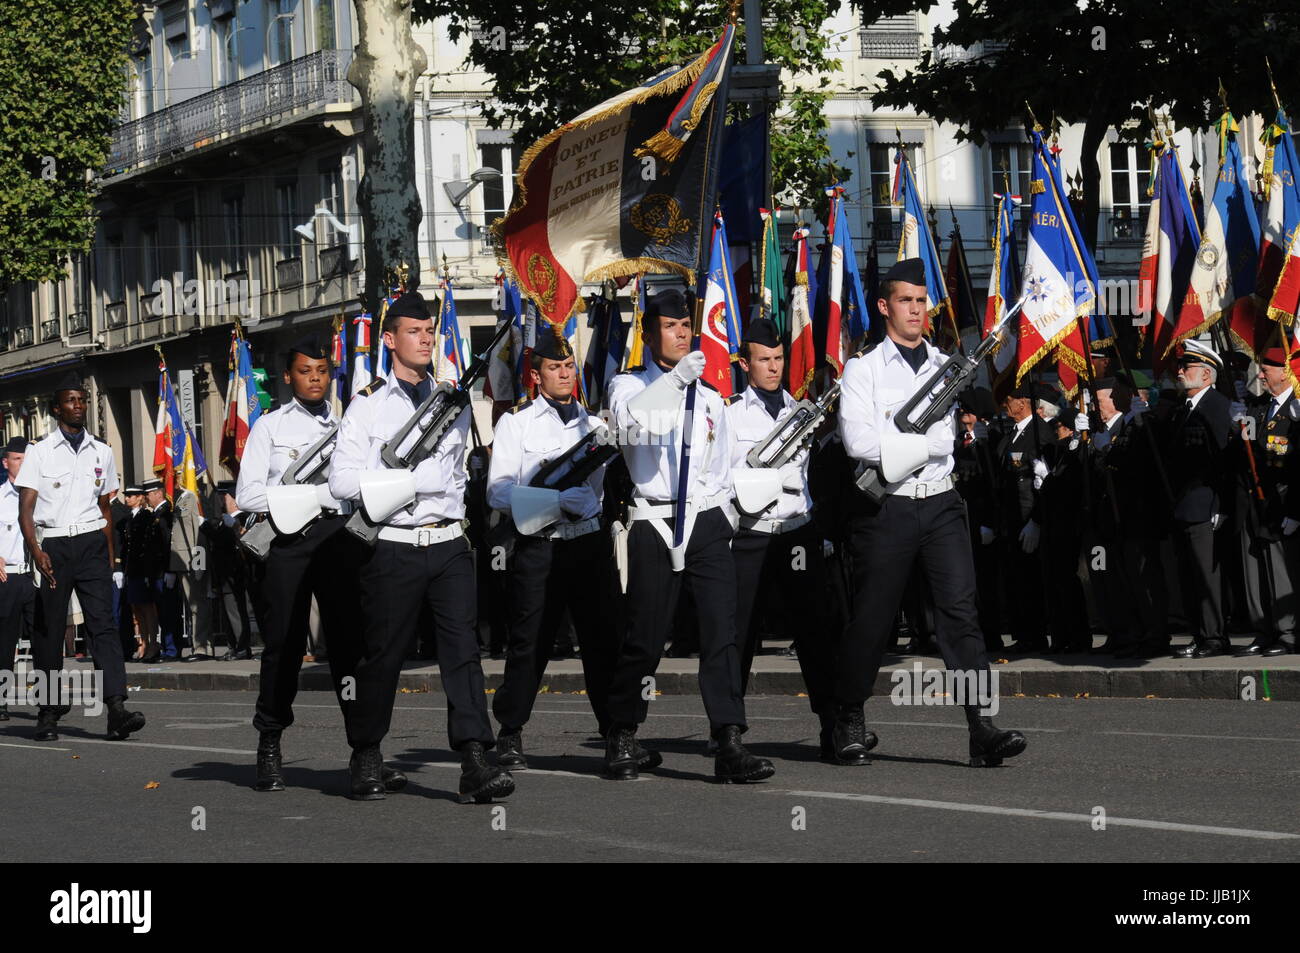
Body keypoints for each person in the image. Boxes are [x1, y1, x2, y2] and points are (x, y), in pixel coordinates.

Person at [834, 258, 1025, 767]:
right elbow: (857, 441)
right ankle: (848, 717)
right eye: (905, 301)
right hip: (887, 509)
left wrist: (909, 441)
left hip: (940, 502)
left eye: (921, 301)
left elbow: (948, 443)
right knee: (873, 619)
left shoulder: (947, 366)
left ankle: (981, 725)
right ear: (884, 307)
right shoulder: (864, 368)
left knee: (961, 615)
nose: (916, 310)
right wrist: (920, 442)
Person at [329, 290, 513, 804]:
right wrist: (410, 482)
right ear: (389, 339)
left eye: (430, 330)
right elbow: (341, 483)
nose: (426, 338)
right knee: (383, 656)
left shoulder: (449, 400)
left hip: (450, 541)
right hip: (393, 544)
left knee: (463, 654)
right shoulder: (367, 407)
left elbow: (456, 478)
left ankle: (475, 759)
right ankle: (366, 753)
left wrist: (441, 488)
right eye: (414, 331)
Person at [602, 287, 773, 783]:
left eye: (685, 325)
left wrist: (724, 516)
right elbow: (637, 428)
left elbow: (718, 468)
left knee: (722, 634)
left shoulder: (712, 398)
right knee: (646, 638)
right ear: (650, 333)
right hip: (655, 522)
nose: (680, 333)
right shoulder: (628, 385)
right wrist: (676, 381)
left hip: (704, 520)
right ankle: (622, 732)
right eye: (670, 326)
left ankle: (728, 740)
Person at [236, 335, 373, 793]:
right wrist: (318, 493)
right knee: (284, 646)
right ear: (288, 377)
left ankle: (363, 751)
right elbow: (249, 496)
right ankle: (270, 740)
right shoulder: (270, 427)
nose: (314, 378)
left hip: (339, 539)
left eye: (321, 370)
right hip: (289, 541)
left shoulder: (351, 424)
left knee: (350, 648)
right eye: (304, 371)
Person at [486, 330, 618, 765]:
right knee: (530, 641)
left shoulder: (594, 426)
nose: (563, 374)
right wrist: (554, 500)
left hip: (587, 546)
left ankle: (617, 734)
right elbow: (498, 492)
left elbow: (601, 490)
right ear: (536, 375)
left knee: (602, 641)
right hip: (540, 546)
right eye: (553, 367)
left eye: (568, 366)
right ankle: (510, 731)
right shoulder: (516, 423)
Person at [724, 317, 835, 757]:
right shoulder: (729, 414)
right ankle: (729, 731)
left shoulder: (800, 411)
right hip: (750, 534)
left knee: (816, 631)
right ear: (746, 364)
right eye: (763, 360)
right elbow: (723, 478)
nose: (772, 367)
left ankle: (833, 727)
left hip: (795, 533)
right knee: (739, 634)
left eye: (777, 359)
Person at [17, 373, 145, 741]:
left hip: (90, 544)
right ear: (57, 408)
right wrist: (36, 549)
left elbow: (105, 507)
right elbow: (26, 509)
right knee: (50, 630)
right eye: (71, 401)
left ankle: (117, 708)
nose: (78, 406)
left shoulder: (101, 450)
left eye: (82, 400)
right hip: (53, 545)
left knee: (102, 625)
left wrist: (108, 552)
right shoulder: (40, 452)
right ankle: (48, 712)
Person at [1164, 341, 1233, 659]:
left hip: (1205, 504)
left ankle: (1214, 637)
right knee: (1190, 575)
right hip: (1183, 505)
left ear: (1207, 374)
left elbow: (1222, 460)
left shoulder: (1217, 406)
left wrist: (1220, 504)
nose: (1180, 371)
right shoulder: (1184, 408)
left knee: (1207, 575)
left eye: (1186, 367)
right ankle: (1198, 634)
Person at [1233, 347, 1298, 656]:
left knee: (1281, 570)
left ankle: (1288, 632)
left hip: (1283, 502)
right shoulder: (1258, 408)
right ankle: (1263, 629)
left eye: (1266, 370)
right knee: (1254, 569)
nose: (1260, 375)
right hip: (1254, 502)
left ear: (1284, 371)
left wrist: (1296, 510)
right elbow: (1246, 457)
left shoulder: (1296, 410)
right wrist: (1237, 428)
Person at [994, 381, 1056, 653]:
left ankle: (1036, 636)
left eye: (1010, 398)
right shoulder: (1015, 433)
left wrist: (1037, 520)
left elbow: (1044, 481)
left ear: (1023, 402)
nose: (1006, 402)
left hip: (1028, 516)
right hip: (1013, 518)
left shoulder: (1039, 433)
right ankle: (1024, 634)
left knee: (1031, 581)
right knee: (1018, 579)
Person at [0, 437, 35, 721]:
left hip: (36, 575)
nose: (23, 465)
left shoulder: (40, 494)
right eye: (18, 459)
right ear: (6, 463)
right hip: (8, 576)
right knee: (5, 642)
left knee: (44, 638)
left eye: (27, 459)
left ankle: (49, 701)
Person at [203, 482, 254, 660]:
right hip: (224, 574)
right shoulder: (226, 519)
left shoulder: (242, 518)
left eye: (225, 496)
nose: (222, 499)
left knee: (236, 613)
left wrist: (209, 529)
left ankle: (241, 647)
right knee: (228, 614)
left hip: (236, 573)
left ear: (234, 499)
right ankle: (233, 646)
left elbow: (228, 541)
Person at [167, 484, 211, 658]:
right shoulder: (181, 499)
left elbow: (198, 532)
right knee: (191, 606)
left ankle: (202, 647)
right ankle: (196, 645)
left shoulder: (192, 497)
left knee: (197, 605)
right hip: (182, 562)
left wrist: (199, 563)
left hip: (192, 561)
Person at [142, 479, 180, 660]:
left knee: (168, 612)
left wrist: (170, 570)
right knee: (162, 612)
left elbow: (168, 544)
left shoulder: (165, 514)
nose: (147, 498)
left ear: (158, 493)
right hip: (156, 572)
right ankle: (167, 647)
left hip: (164, 572)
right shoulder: (156, 514)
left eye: (148, 494)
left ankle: (172, 649)